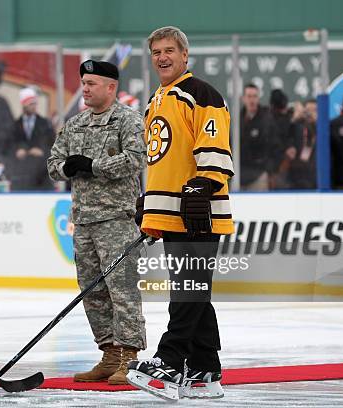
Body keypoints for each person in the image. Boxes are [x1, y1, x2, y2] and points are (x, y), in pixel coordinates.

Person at [128, 26, 234, 401]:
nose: (162, 57)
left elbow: (214, 144)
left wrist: (203, 185)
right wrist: (150, 200)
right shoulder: (156, 100)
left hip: (198, 212)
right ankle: (206, 372)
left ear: (185, 55)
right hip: (171, 212)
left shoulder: (200, 93)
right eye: (156, 51)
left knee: (188, 290)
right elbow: (162, 159)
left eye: (169, 50)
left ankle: (170, 360)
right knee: (192, 289)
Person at [47, 60, 147, 385]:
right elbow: (53, 163)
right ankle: (109, 354)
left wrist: (94, 166)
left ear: (111, 87)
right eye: (84, 83)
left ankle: (129, 358)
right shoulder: (75, 124)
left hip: (116, 219)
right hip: (84, 221)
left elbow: (136, 158)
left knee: (122, 290)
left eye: (91, 83)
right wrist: (68, 169)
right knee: (92, 291)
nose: (85, 89)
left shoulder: (127, 120)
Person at [7, 87, 55, 190]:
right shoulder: (15, 126)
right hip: (21, 177)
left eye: (35, 104)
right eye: (31, 104)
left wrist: (42, 152)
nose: (34, 107)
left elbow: (54, 146)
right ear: (24, 104)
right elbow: (9, 147)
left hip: (42, 177)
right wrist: (17, 151)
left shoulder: (45, 124)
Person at [239, 83, 275, 191]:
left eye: (255, 96)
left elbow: (274, 146)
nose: (252, 100)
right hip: (238, 175)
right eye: (249, 96)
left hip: (259, 175)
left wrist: (269, 170)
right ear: (243, 99)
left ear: (258, 98)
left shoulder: (267, 120)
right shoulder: (236, 119)